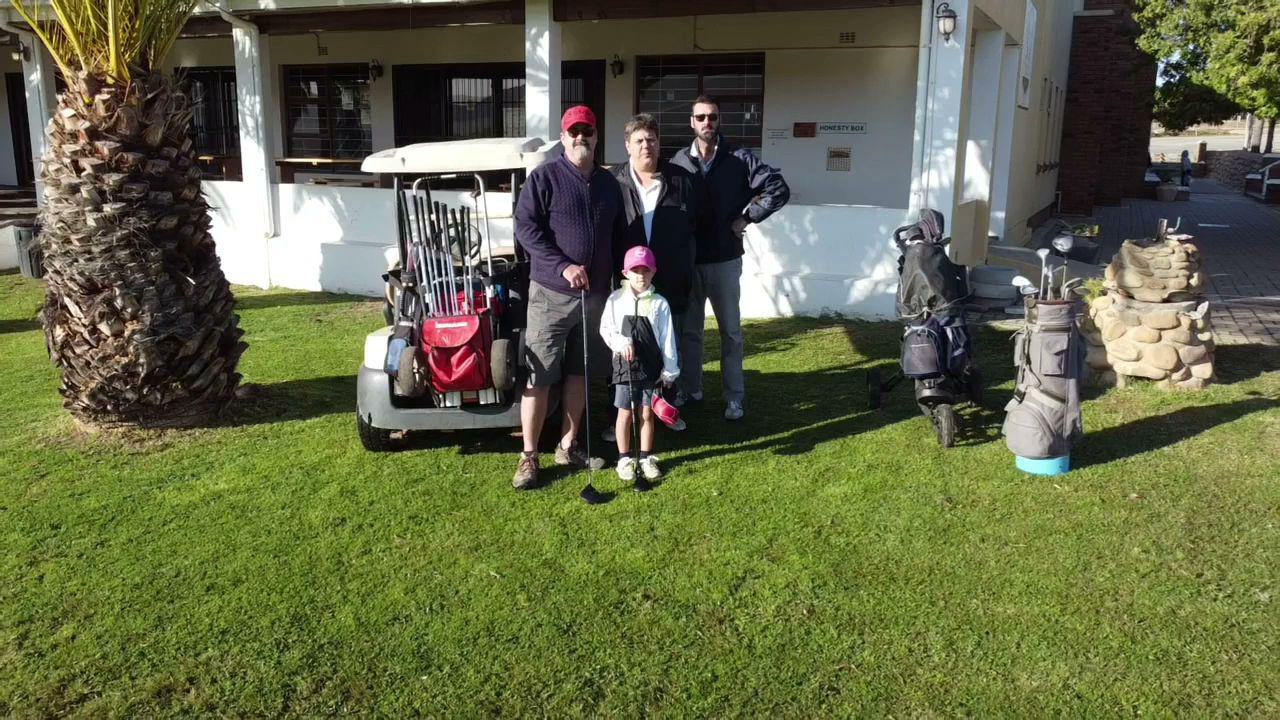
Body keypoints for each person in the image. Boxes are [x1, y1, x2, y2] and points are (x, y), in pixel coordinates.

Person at [511, 105, 624, 490]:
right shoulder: (544, 178)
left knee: (580, 372)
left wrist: (627, 274)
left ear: (596, 136)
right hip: (550, 295)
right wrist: (562, 266)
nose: (581, 137)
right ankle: (529, 456)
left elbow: (620, 235)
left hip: (595, 298)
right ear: (563, 137)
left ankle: (568, 444)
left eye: (587, 131)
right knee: (540, 374)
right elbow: (525, 228)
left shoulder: (610, 185)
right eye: (573, 132)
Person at [670, 95, 790, 421]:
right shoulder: (678, 162)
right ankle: (690, 389)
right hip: (690, 261)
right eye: (701, 117)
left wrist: (748, 217)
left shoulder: (739, 158)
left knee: (731, 333)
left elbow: (778, 188)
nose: (707, 123)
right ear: (691, 122)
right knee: (690, 332)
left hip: (724, 260)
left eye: (712, 117)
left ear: (719, 120)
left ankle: (734, 397)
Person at [607, 112, 707, 438]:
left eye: (651, 139)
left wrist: (683, 268)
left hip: (670, 282)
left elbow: (695, 227)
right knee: (629, 350)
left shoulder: (681, 180)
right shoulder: (614, 183)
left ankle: (666, 409)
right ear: (627, 145)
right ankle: (625, 415)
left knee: (668, 349)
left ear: (658, 142)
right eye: (639, 140)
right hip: (629, 285)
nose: (646, 146)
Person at [599, 245, 680, 482]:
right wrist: (620, 342)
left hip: (651, 366)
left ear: (653, 272)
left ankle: (645, 457)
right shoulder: (615, 300)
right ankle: (624, 458)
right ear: (625, 273)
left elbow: (667, 338)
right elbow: (606, 329)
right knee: (624, 412)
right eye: (635, 271)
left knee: (646, 413)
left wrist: (670, 369)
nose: (640, 276)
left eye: (645, 271)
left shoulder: (660, 303)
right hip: (624, 366)